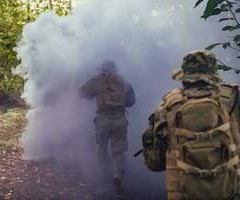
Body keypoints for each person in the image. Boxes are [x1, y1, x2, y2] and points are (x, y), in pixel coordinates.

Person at [142, 50, 240, 200]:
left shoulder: (168, 105)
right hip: (231, 191)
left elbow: (155, 162)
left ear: (184, 76)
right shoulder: (234, 98)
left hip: (183, 193)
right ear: (214, 73)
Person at [79, 60, 135, 193]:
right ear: (115, 69)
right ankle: (117, 176)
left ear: (102, 69)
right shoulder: (123, 81)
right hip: (120, 119)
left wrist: (94, 96)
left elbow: (81, 93)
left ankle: (102, 178)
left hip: (103, 120)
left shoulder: (97, 80)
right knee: (118, 151)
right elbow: (132, 101)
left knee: (101, 148)